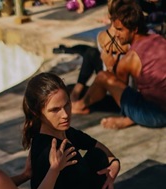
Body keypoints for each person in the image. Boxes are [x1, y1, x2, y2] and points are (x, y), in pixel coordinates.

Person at [71, 0, 166, 129]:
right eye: (115, 28)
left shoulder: (129, 59)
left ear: (134, 29)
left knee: (103, 77)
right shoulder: (159, 39)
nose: (116, 34)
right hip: (160, 106)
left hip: (156, 115)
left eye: (120, 29)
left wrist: (110, 66)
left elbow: (120, 94)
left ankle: (80, 106)